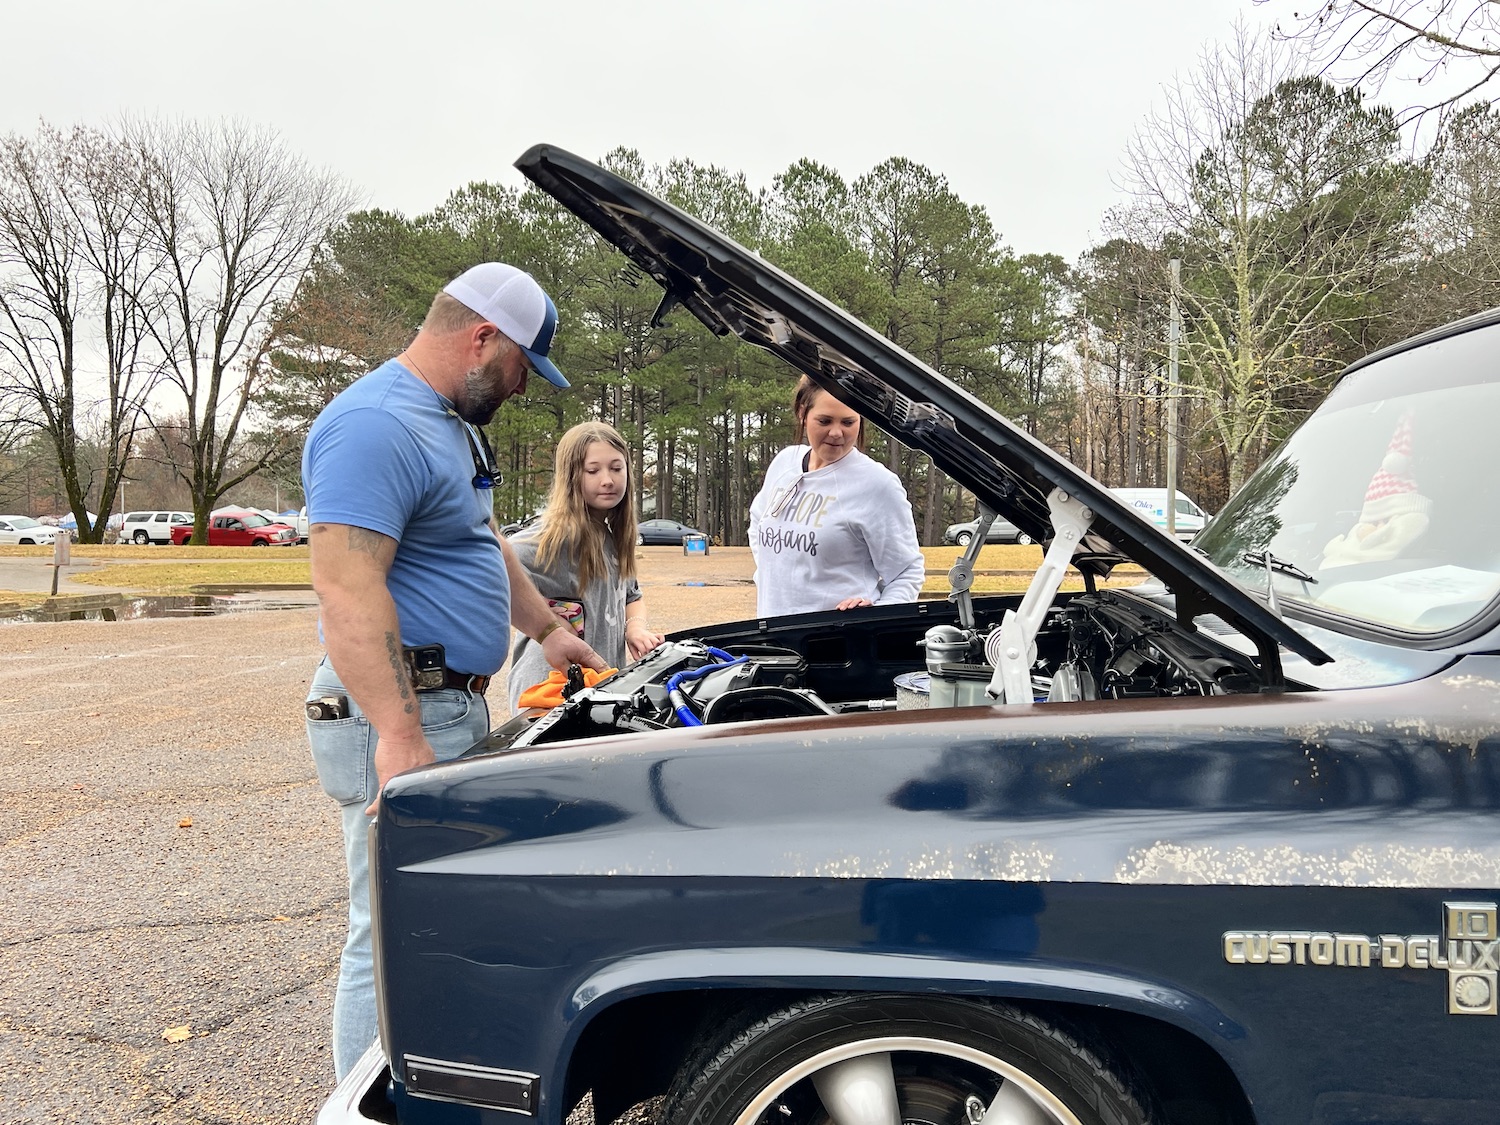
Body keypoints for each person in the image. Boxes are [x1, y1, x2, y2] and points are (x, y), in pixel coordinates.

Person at [301, 262, 605, 1079]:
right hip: (397, 711)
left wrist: (546, 630)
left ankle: (438, 1082)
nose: (523, 389)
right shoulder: (374, 424)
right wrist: (399, 734)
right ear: (483, 338)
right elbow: (346, 587)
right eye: (520, 369)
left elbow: (480, 543)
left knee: (435, 920)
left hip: (447, 704)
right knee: (390, 925)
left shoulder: (446, 422)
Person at [506, 421, 666, 710]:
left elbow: (632, 595)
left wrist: (636, 630)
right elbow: (492, 567)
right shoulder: (551, 537)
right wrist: (545, 621)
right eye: (593, 470)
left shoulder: (611, 536)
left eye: (617, 468)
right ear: (571, 476)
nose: (608, 480)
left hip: (598, 689)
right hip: (548, 697)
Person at [748, 376, 924, 616]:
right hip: (772, 635)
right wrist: (771, 579)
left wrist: (875, 616)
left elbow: (907, 572)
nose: (836, 433)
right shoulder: (785, 462)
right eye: (825, 420)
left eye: (848, 422)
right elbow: (758, 522)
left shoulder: (877, 484)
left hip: (839, 643)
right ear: (803, 413)